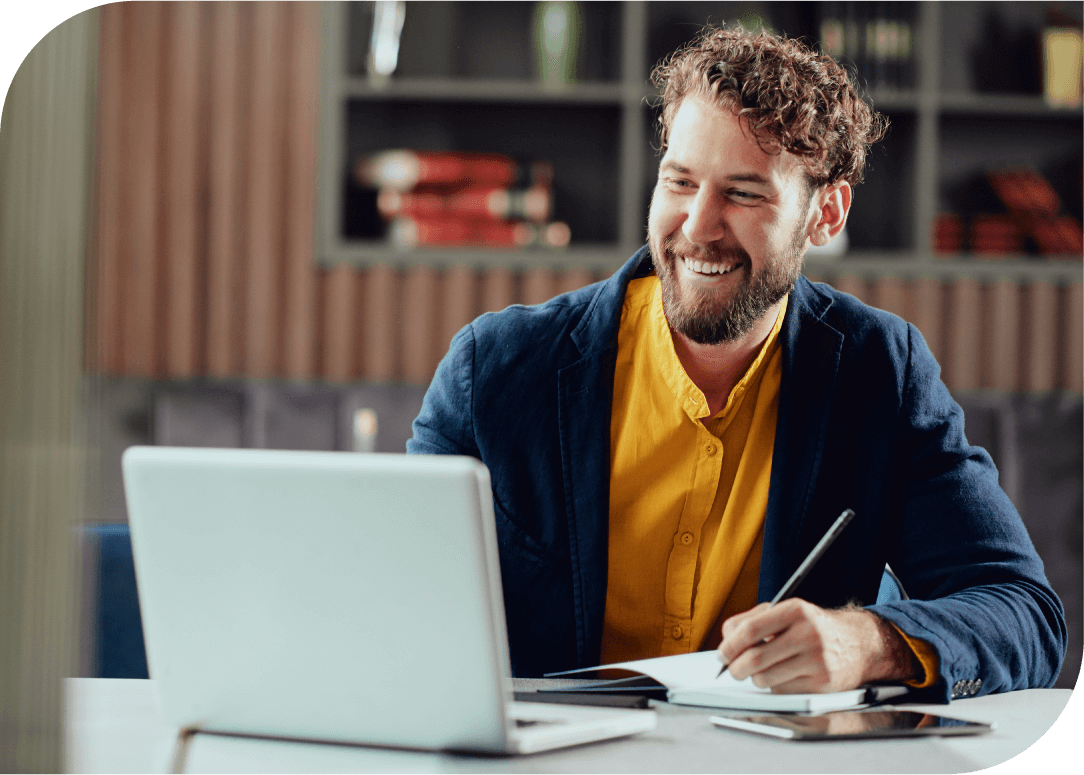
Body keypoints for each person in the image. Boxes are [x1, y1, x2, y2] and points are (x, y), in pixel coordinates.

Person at [407, 26, 1065, 701]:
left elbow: (1025, 615)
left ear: (826, 214)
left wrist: (868, 642)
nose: (697, 225)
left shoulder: (880, 372)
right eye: (680, 181)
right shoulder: (494, 369)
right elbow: (387, 599)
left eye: (744, 193)